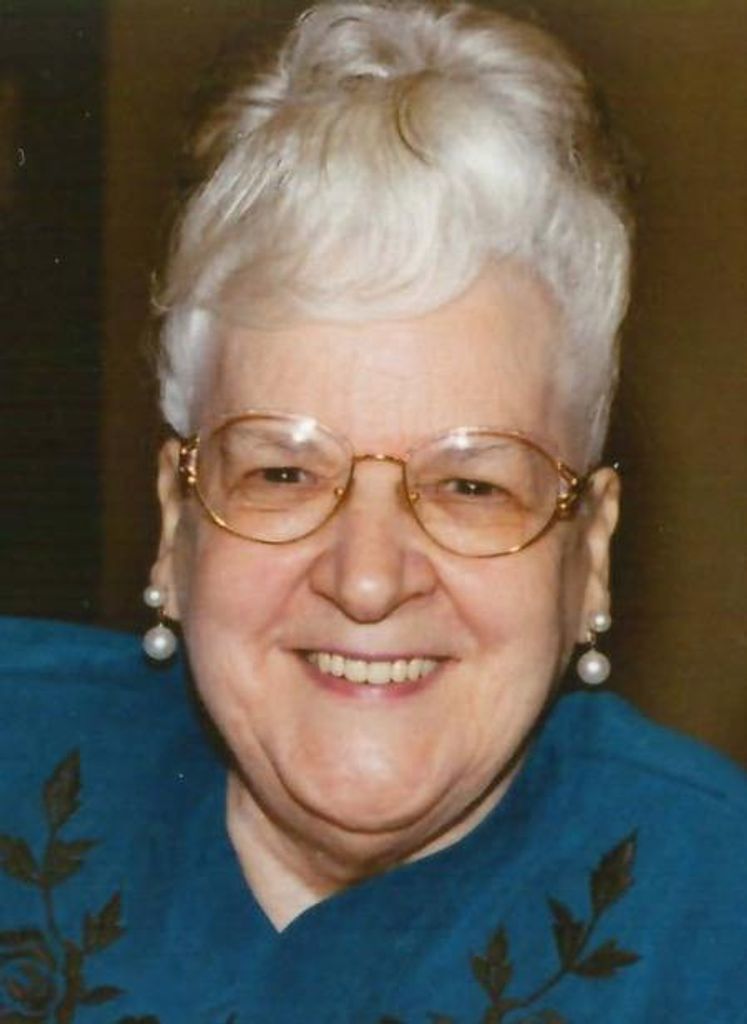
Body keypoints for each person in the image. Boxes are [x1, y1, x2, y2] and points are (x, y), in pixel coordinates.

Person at [1, 2, 745, 1022]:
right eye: (284, 473)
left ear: (590, 557)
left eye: (471, 485)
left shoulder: (716, 919)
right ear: (177, 522)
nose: (365, 578)